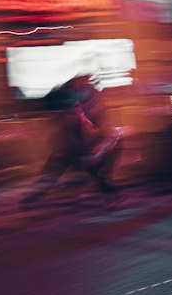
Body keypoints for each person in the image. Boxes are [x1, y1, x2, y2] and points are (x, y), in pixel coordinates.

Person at [22, 75, 122, 206]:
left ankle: (31, 198)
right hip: (74, 143)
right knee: (87, 169)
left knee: (58, 169)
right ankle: (110, 196)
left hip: (73, 143)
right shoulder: (83, 94)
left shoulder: (71, 94)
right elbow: (93, 120)